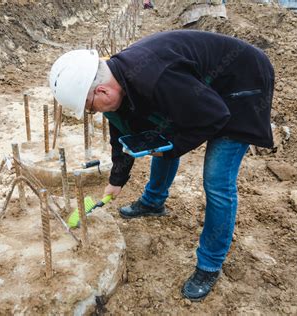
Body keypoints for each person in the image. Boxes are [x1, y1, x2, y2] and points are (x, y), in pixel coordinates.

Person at [49, 30, 274, 301]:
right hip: (200, 89)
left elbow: (215, 115)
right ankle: (153, 201)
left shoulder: (155, 78)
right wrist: (116, 181)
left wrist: (173, 146)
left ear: (102, 90)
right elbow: (120, 134)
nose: (95, 113)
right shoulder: (120, 79)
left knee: (217, 179)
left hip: (242, 84)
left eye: (91, 108)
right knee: (161, 138)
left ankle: (210, 264)